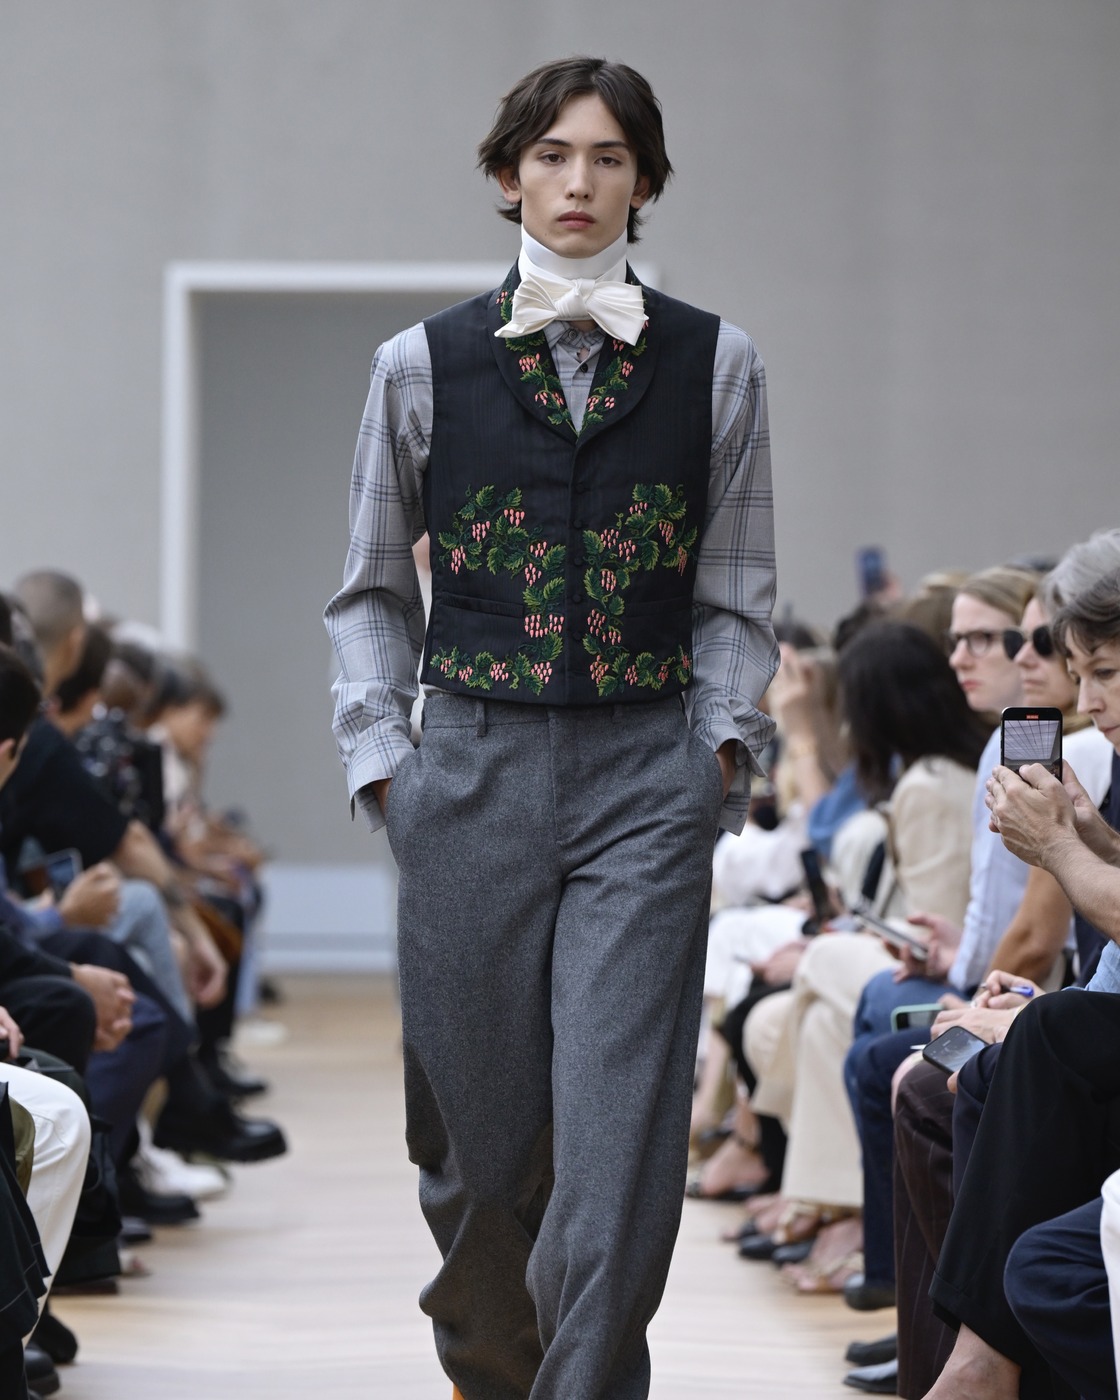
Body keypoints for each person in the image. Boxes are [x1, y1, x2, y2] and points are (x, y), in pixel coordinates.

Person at [325, 56, 777, 1400]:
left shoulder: (721, 364)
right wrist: (389, 768)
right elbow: (368, 594)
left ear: (645, 182)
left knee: (620, 1139)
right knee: (474, 1150)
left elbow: (737, 592)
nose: (580, 182)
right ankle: (495, 1368)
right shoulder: (418, 366)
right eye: (553, 155)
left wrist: (718, 755)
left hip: (647, 777)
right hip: (466, 771)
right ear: (509, 174)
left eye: (609, 158)